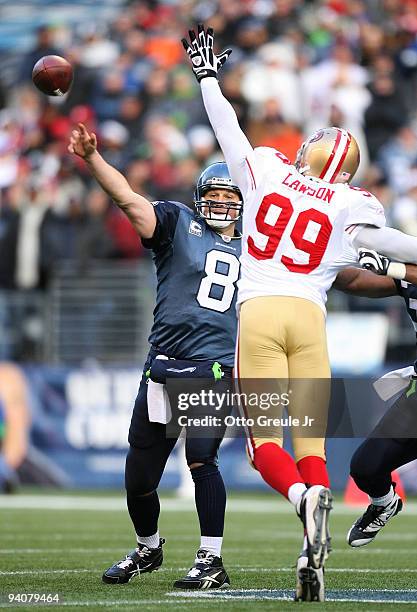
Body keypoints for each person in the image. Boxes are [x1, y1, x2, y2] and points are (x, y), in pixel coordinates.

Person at [182, 24, 417, 601]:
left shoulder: (267, 168)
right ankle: (313, 540)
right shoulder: (353, 204)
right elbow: (395, 248)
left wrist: (208, 76)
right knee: (312, 447)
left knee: (266, 449)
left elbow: (226, 126)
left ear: (307, 152)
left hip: (261, 313)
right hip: (311, 322)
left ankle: (300, 501)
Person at [68, 123, 242, 589]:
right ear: (201, 195)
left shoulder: (261, 247)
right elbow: (128, 199)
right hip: (164, 364)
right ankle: (149, 547)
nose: (222, 203)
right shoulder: (177, 223)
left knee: (202, 459)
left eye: (231, 195)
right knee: (139, 476)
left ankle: (211, 560)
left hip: (213, 366)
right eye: (215, 194)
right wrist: (92, 159)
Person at [335, 249, 417, 547]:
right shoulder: (406, 273)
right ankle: (384, 503)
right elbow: (354, 280)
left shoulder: (404, 269)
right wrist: (313, 264)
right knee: (366, 467)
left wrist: (394, 267)